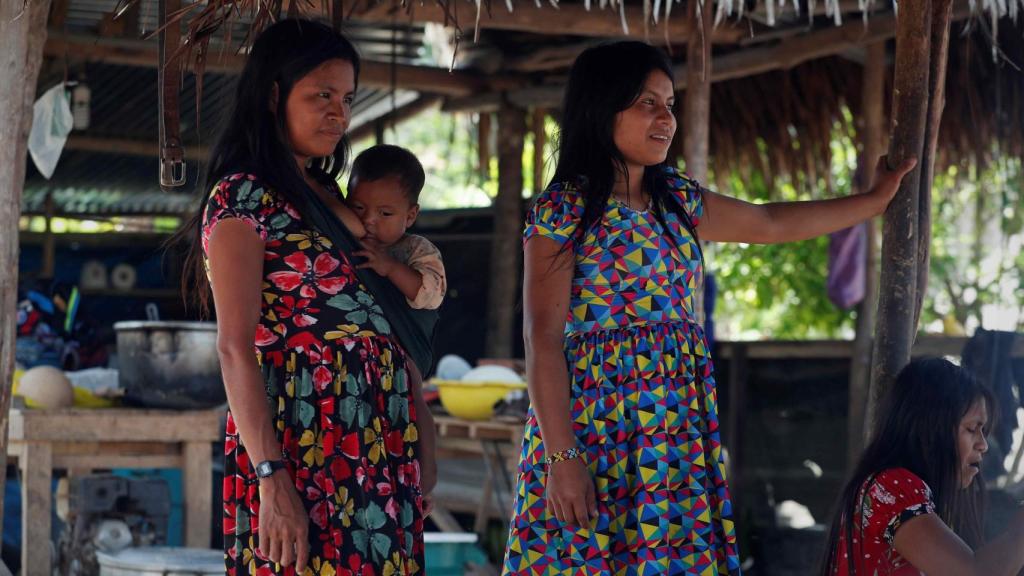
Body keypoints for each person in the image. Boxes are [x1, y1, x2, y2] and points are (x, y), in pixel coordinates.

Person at [503, 40, 916, 575]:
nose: (666, 118)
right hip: (593, 427)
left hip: (672, 427)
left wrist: (873, 202)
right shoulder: (565, 208)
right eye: (647, 103)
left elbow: (769, 224)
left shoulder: (677, 199)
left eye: (670, 104)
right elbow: (542, 339)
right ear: (602, 106)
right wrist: (562, 458)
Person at [176, 19, 426, 576]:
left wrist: (421, 428)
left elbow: (380, 320)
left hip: (377, 437)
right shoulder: (242, 197)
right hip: (303, 438)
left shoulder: (335, 195)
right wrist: (271, 478)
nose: (339, 113)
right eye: (321, 95)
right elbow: (235, 349)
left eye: (347, 98)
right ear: (273, 95)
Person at [820, 357, 1024, 576]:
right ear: (933, 430)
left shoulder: (893, 489)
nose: (983, 445)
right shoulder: (893, 488)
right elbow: (975, 573)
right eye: (972, 429)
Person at [345, 143, 446, 512]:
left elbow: (429, 294)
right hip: (367, 361)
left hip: (407, 348)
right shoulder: (346, 240)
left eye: (385, 212)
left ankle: (427, 480)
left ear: (411, 215)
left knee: (414, 402)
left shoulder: (417, 250)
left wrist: (389, 267)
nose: (370, 220)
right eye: (358, 208)